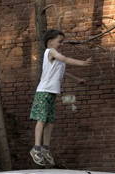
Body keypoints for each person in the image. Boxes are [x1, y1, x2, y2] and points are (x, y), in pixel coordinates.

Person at [29, 29, 92, 166]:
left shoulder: (57, 57)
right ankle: (36, 148)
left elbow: (63, 71)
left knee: (50, 121)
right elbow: (65, 59)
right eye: (60, 41)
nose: (61, 44)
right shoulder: (50, 52)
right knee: (41, 119)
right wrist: (82, 63)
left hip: (52, 93)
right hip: (43, 92)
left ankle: (45, 148)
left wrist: (77, 79)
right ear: (50, 41)